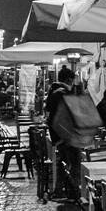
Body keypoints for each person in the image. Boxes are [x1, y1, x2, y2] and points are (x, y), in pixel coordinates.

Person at [45, 67, 80, 199]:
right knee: (74, 164)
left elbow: (49, 113)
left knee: (64, 163)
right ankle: (73, 192)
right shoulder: (63, 94)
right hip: (66, 136)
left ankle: (60, 190)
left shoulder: (53, 92)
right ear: (69, 79)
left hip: (58, 136)